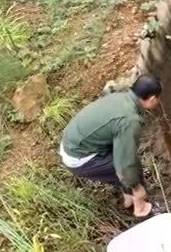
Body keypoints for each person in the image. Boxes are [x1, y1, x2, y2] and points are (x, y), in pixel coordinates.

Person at [59, 75, 162, 218]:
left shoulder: (120, 97)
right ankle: (141, 209)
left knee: (124, 166)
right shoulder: (129, 120)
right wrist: (137, 188)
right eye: (158, 98)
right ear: (151, 99)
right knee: (132, 169)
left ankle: (128, 199)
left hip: (73, 142)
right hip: (78, 157)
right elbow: (125, 162)